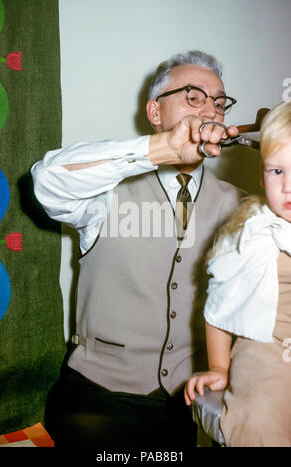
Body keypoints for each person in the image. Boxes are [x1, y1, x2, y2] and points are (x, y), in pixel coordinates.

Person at [31, 50, 243, 448]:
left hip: (186, 403)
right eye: (193, 97)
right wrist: (159, 150)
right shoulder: (103, 192)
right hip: (97, 399)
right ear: (155, 112)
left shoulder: (242, 208)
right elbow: (46, 182)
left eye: (218, 102)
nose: (210, 111)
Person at [184, 101, 291, 447]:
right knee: (263, 415)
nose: (288, 186)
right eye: (278, 172)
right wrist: (219, 369)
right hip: (266, 344)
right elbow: (219, 310)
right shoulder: (249, 232)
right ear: (262, 174)